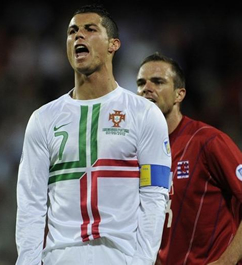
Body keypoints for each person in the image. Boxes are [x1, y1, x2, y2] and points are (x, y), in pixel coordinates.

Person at [15, 4, 171, 265]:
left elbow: (155, 195)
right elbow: (31, 201)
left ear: (114, 44)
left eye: (90, 29)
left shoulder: (145, 115)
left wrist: (143, 261)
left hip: (120, 257)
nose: (78, 36)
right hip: (59, 257)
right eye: (72, 31)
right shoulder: (43, 120)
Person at [136, 52, 242, 265]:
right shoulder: (137, 154)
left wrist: (226, 261)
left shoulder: (208, 142)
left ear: (179, 94)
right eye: (140, 83)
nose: (146, 88)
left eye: (158, 81)